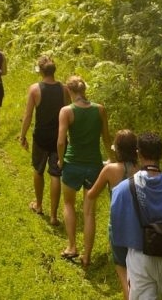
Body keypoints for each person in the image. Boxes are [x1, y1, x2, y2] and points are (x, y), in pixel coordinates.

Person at [110, 132, 162, 299]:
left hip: (139, 257)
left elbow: (117, 233)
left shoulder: (121, 190)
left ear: (138, 153)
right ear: (161, 154)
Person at [57, 75, 110, 261]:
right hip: (94, 166)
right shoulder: (100, 109)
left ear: (69, 90)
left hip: (72, 164)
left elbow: (61, 141)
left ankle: (72, 246)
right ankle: (87, 256)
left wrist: (61, 161)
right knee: (89, 212)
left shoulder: (66, 111)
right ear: (84, 90)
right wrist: (111, 159)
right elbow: (106, 138)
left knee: (69, 204)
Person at [84, 129, 139, 297]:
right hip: (140, 225)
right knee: (137, 269)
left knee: (122, 268)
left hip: (118, 226)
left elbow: (91, 194)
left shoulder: (110, 170)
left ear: (118, 150)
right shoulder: (142, 168)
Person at [19, 56, 70, 225]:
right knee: (56, 175)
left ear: (41, 71)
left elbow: (28, 115)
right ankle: (54, 216)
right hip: (59, 138)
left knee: (38, 170)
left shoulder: (35, 89)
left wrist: (22, 135)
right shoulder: (64, 89)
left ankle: (39, 205)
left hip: (40, 137)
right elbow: (69, 112)